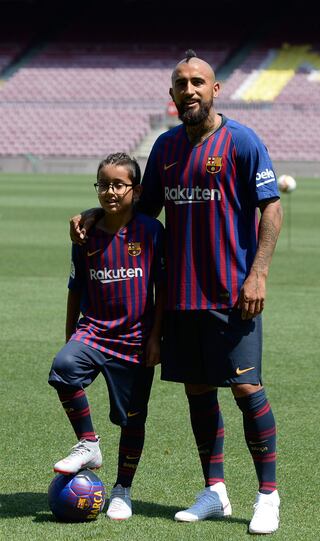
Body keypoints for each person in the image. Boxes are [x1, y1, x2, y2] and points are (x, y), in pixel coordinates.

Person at [70, 50, 283, 535]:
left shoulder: (243, 142)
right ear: (171, 95)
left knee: (248, 390)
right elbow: (141, 212)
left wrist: (259, 273)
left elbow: (270, 209)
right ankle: (216, 491)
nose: (189, 90)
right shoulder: (166, 148)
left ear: (215, 90)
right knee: (199, 393)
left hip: (233, 293)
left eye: (198, 82)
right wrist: (94, 215)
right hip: (182, 296)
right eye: (181, 84)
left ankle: (268, 495)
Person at [49, 152, 164, 521]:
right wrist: (71, 335)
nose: (110, 191)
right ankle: (89, 443)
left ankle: (122, 490)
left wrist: (156, 338)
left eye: (118, 184)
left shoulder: (150, 231)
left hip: (135, 339)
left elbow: (163, 290)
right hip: (94, 331)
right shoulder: (85, 232)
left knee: (132, 419)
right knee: (63, 366)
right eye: (103, 184)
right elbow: (74, 286)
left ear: (137, 189)